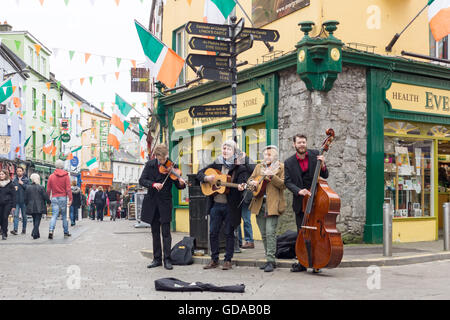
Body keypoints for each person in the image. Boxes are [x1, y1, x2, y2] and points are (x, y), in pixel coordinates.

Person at [196, 140, 247, 270]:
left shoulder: (239, 168)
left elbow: (243, 182)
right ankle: (214, 259)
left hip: (231, 206)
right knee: (213, 232)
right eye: (224, 148)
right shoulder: (216, 164)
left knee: (229, 233)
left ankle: (228, 260)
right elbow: (199, 174)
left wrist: (242, 187)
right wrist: (207, 178)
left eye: (228, 149)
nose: (225, 151)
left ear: (234, 152)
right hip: (216, 205)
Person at [284, 134, 328, 273]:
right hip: (300, 202)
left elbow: (325, 175)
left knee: (316, 234)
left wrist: (323, 165)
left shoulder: (316, 155)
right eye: (299, 142)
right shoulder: (289, 162)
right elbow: (287, 182)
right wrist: (298, 191)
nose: (302, 144)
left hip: (316, 201)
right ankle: (302, 262)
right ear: (294, 145)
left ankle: (317, 262)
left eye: (304, 142)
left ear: (306, 143)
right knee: (302, 233)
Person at [139, 144, 186, 270]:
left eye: (163, 159)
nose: (162, 162)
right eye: (159, 160)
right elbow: (142, 180)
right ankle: (157, 259)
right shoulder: (150, 165)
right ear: (156, 156)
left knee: (166, 232)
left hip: (165, 202)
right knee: (155, 232)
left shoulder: (172, 166)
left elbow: (178, 185)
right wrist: (153, 184)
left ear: (166, 156)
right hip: (152, 202)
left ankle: (167, 259)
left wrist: (181, 183)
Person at [248, 146, 285, 272]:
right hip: (259, 203)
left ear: (275, 156)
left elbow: (283, 184)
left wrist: (272, 176)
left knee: (270, 233)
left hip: (273, 204)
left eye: (270, 154)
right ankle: (268, 259)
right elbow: (250, 180)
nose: (267, 156)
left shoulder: (281, 167)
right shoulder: (259, 167)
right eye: (265, 154)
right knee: (263, 234)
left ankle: (270, 260)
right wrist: (251, 183)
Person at [47, 160, 73, 239]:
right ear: (62, 166)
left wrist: (48, 200)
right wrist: (70, 199)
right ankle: (65, 232)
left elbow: (48, 190)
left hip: (54, 197)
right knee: (64, 216)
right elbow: (68, 189)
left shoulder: (51, 176)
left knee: (54, 215)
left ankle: (51, 230)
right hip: (63, 197)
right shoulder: (66, 176)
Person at [25, 173, 51, 240]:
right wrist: (48, 202)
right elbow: (45, 196)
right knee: (37, 220)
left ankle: (37, 234)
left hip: (31, 206)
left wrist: (27, 204)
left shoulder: (28, 187)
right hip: (39, 206)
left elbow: (25, 198)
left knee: (34, 219)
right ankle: (34, 232)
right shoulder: (41, 187)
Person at [11, 166, 29, 235]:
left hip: (24, 201)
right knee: (15, 215)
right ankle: (15, 229)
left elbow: (28, 189)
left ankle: (24, 229)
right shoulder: (14, 180)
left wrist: (23, 184)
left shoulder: (26, 180)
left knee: (24, 216)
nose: (19, 172)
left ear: (23, 172)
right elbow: (11, 190)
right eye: (18, 171)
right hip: (16, 201)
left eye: (20, 171)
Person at [0, 169, 16, 240]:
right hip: (0, 203)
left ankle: (4, 233)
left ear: (6, 175)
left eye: (2, 174)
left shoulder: (10, 184)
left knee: (4, 217)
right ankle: (2, 230)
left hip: (8, 203)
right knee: (0, 218)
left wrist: (14, 206)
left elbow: (14, 195)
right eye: (0, 174)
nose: (1, 176)